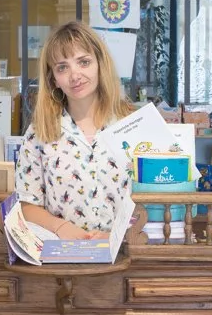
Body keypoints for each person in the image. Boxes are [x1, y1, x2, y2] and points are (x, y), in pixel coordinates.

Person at [15, 21, 133, 239]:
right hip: (62, 259)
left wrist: (117, 236)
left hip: (124, 257)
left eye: (84, 62)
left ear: (100, 64)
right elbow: (26, 204)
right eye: (62, 67)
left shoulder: (131, 124)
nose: (75, 75)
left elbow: (153, 201)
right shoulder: (39, 132)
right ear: (54, 79)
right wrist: (60, 228)